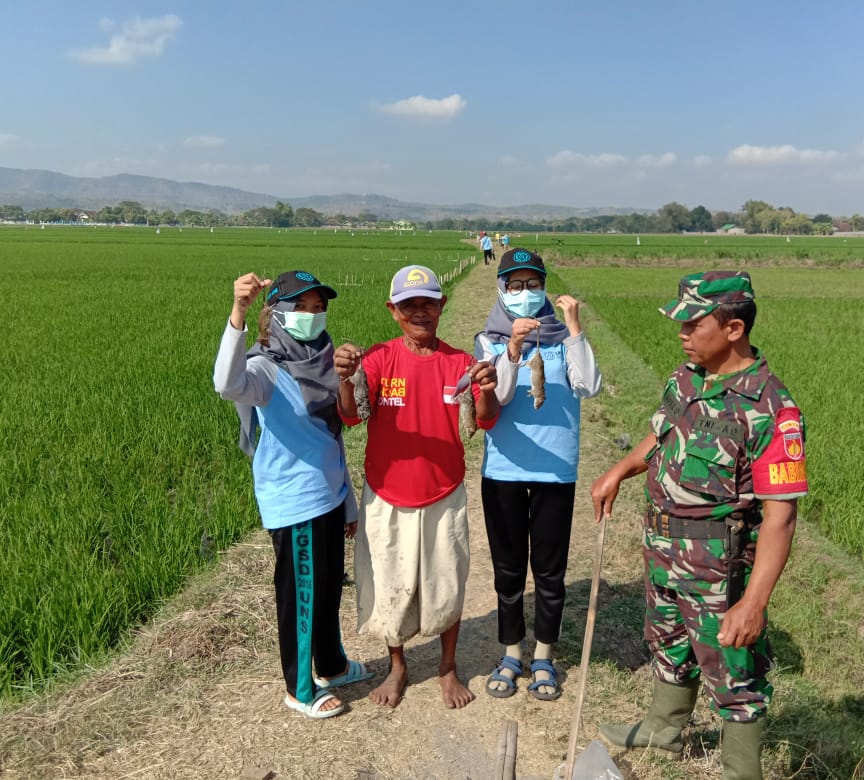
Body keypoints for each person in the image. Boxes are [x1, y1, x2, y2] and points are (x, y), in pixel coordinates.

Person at [589, 271, 807, 779]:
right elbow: (660, 435)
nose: (682, 333)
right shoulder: (687, 377)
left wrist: (754, 603)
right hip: (662, 544)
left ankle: (740, 771)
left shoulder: (770, 409)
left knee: (733, 669)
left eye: (693, 324)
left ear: (733, 329)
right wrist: (620, 469)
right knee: (667, 640)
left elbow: (780, 517)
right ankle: (663, 730)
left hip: (717, 562)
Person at [333, 265, 500, 709]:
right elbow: (351, 416)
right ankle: (398, 666)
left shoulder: (460, 363)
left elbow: (485, 420)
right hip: (386, 494)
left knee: (446, 582)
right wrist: (344, 378)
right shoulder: (377, 359)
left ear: (442, 306)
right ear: (393, 311)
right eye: (409, 306)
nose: (420, 312)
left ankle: (447, 666)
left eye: (428, 303)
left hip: (444, 492)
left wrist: (486, 389)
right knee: (389, 582)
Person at [213, 270, 373, 720]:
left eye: (319, 307)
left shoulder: (324, 360)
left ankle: (333, 664)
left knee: (328, 588)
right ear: (278, 314)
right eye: (300, 307)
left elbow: (332, 437)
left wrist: (347, 501)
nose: (312, 315)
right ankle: (300, 688)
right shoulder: (266, 368)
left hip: (328, 494)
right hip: (295, 502)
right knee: (302, 596)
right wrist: (238, 311)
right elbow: (226, 384)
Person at [474, 248, 601, 701]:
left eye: (533, 284)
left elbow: (588, 384)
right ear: (501, 289)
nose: (525, 293)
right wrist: (512, 348)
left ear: (545, 287)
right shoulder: (488, 340)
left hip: (555, 472)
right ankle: (512, 653)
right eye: (515, 285)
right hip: (504, 470)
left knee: (550, 571)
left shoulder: (564, 339)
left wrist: (574, 328)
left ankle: (544, 656)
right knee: (508, 570)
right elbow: (501, 397)